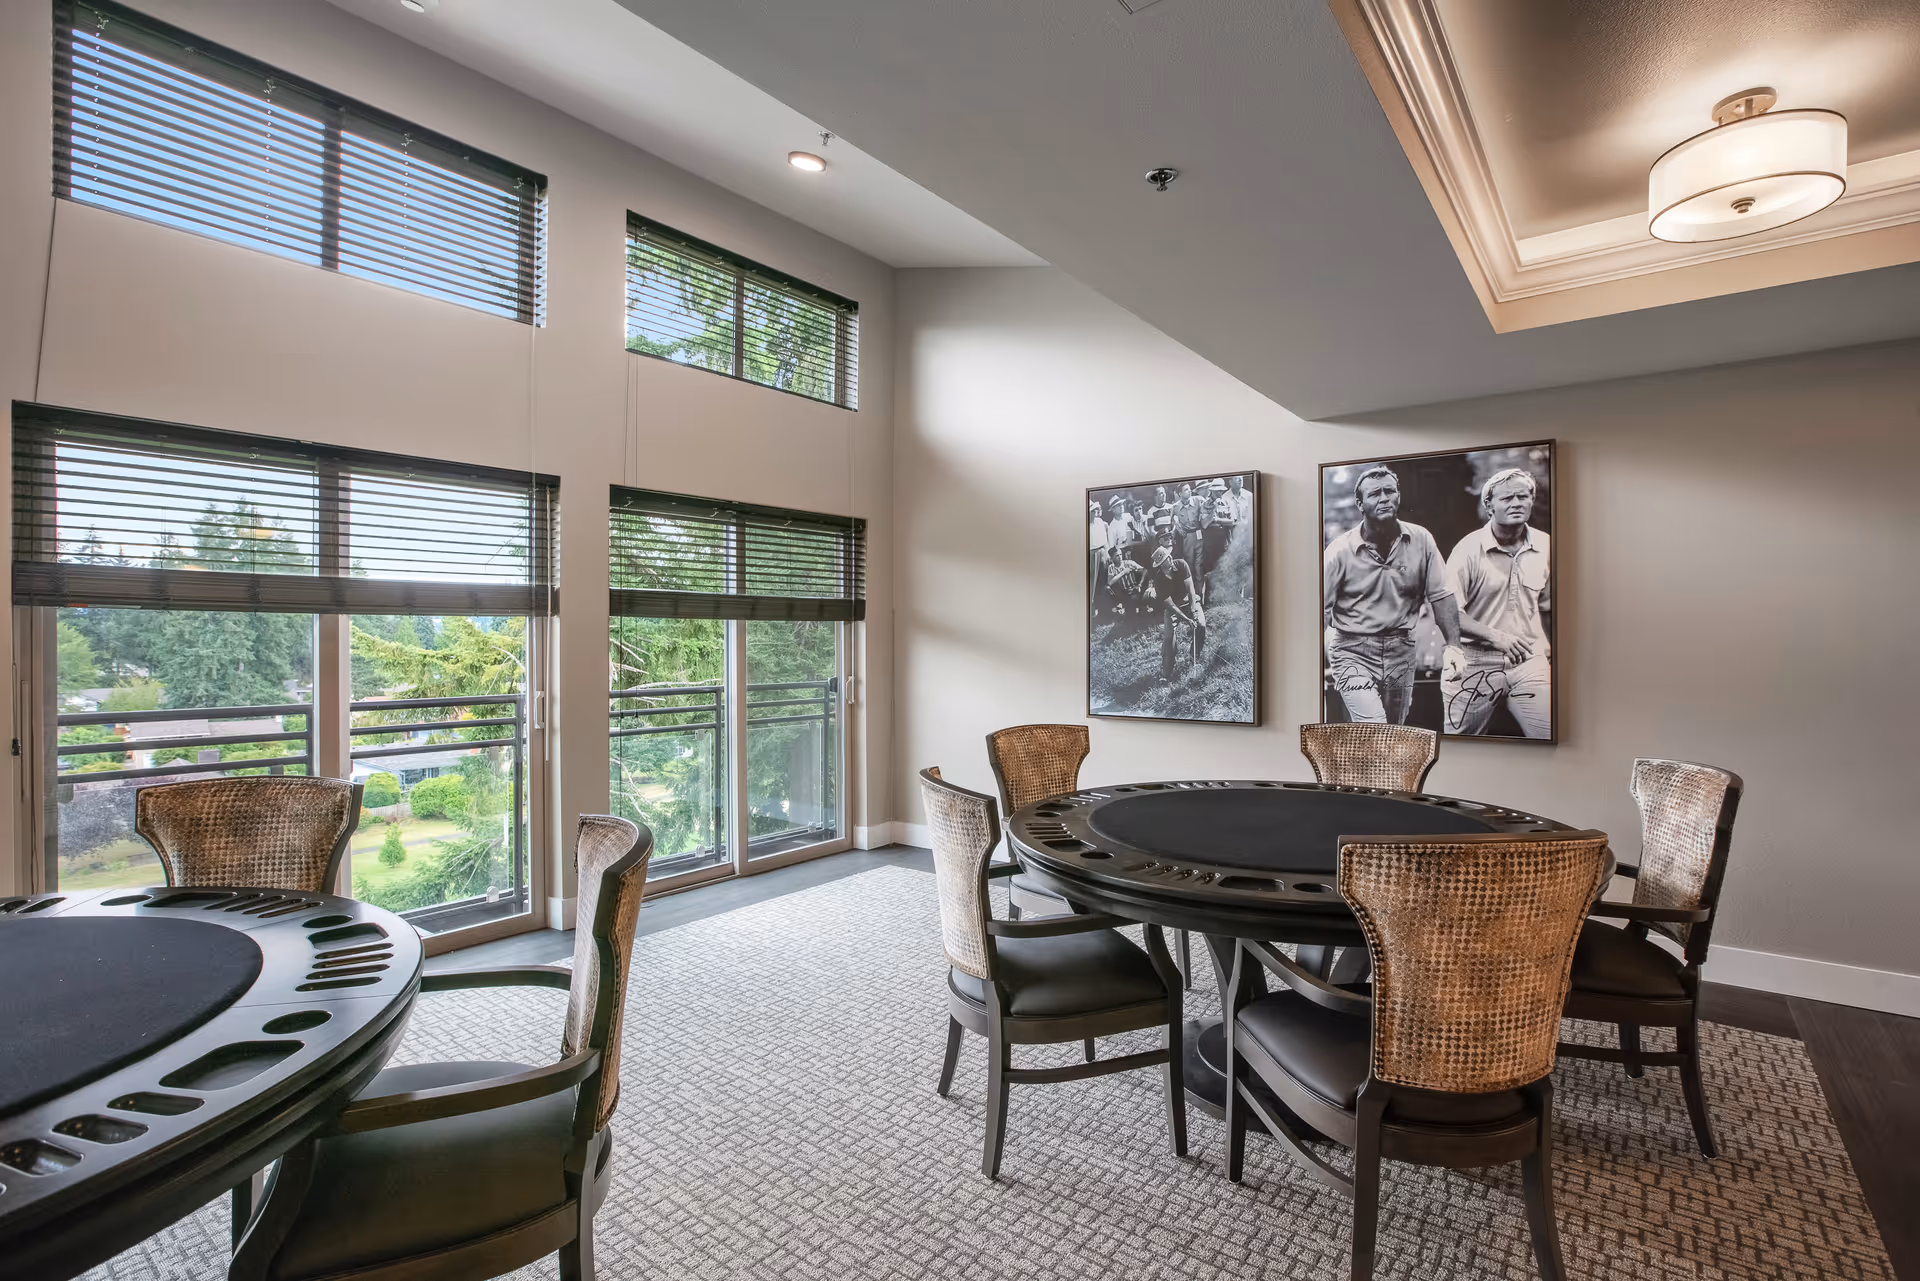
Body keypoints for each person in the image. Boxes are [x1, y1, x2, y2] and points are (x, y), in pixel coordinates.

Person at [1321, 465, 1464, 724]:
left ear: (1398, 495)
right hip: (1352, 649)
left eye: (1390, 491)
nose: (1384, 498)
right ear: (1360, 504)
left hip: (1401, 648)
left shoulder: (1421, 539)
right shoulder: (1339, 551)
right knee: (1374, 725)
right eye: (1375, 494)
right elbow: (1317, 609)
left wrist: (1454, 647)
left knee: (1395, 729)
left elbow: (1441, 595)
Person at [1442, 467, 1552, 737]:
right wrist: (1495, 636)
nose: (1516, 503)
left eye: (1522, 496)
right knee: (1462, 745)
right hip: (1473, 662)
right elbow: (1447, 612)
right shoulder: (1467, 550)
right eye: (1507, 498)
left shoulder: (1547, 545)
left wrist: (1550, 647)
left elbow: (1551, 608)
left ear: (1531, 500)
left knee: (1550, 735)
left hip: (1529, 659)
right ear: (1489, 506)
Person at [1146, 543, 1204, 683]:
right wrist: (1186, 619)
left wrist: (1194, 610)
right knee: (1168, 637)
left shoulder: (1182, 564)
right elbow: (1170, 605)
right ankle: (1167, 672)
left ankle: (1194, 658)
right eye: (1166, 558)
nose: (1170, 558)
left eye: (1169, 555)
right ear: (1161, 564)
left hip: (1189, 601)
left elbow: (1191, 590)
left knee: (1201, 625)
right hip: (1173, 608)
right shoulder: (1159, 580)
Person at [1200, 478, 1236, 603]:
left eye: (1221, 491)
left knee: (1225, 570)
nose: (1220, 493)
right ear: (1212, 491)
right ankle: (1209, 602)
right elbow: (1204, 524)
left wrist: (1217, 520)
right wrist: (1213, 512)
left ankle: (1224, 601)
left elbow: (1232, 521)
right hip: (1211, 544)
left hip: (1225, 542)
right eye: (1217, 491)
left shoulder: (1227, 502)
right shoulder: (1205, 504)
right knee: (1210, 572)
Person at [1088, 499, 1110, 621]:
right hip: (1091, 554)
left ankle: (1103, 608)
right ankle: (1091, 608)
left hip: (1103, 552)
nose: (1094, 512)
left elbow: (1104, 540)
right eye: (1091, 511)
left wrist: (1108, 553)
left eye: (1094, 510)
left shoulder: (1100, 521)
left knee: (1103, 580)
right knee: (1092, 583)